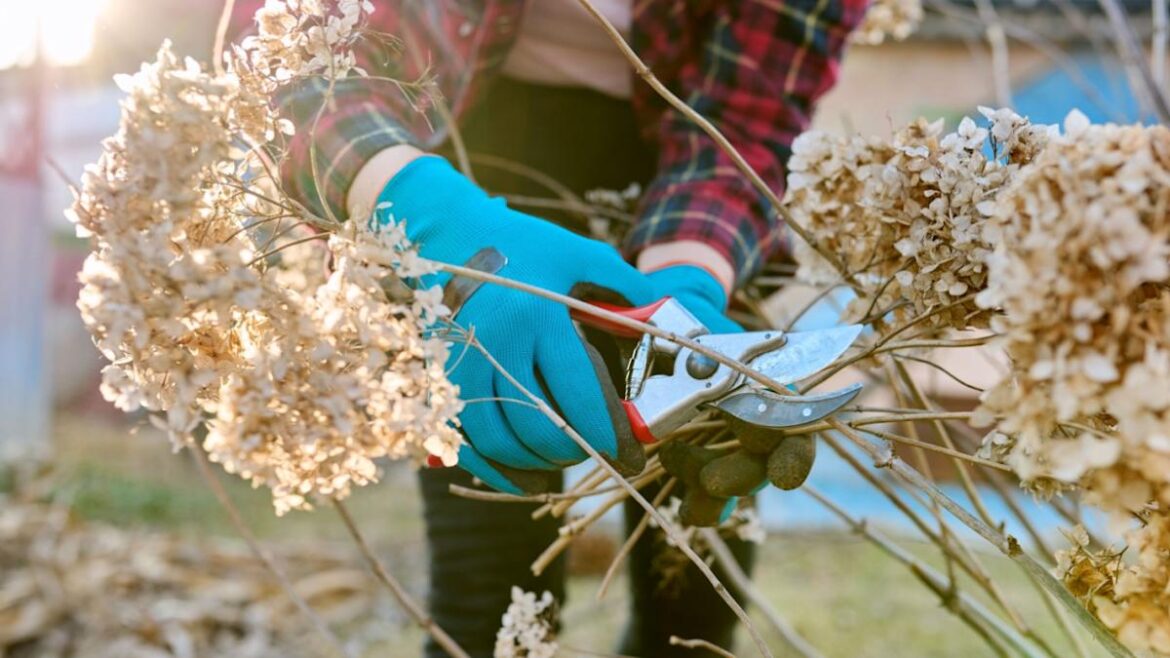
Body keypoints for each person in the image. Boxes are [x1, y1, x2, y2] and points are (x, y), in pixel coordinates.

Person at [233, 1, 865, 655]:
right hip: (467, 161)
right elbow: (295, 50)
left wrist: (689, 292)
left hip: (687, 196)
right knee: (489, 597)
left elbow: (746, 118)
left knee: (692, 609)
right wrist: (433, 218)